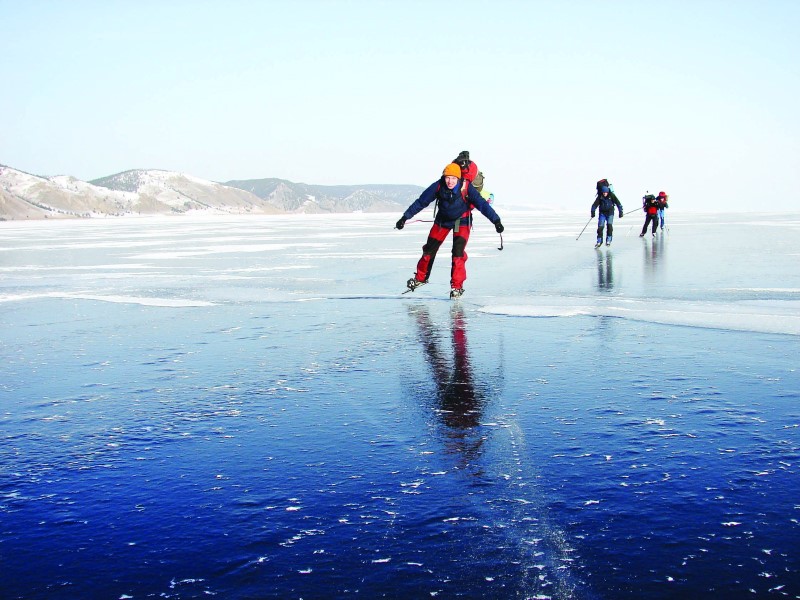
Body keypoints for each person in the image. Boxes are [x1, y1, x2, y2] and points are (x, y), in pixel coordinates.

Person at [396, 163, 504, 299]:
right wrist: (404, 218)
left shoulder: (466, 187)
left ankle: (457, 287)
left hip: (462, 220)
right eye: (447, 177)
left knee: (458, 253)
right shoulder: (438, 186)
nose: (450, 181)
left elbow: (482, 204)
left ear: (458, 178)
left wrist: (496, 221)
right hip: (443, 220)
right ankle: (420, 278)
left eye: (453, 178)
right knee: (429, 249)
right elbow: (421, 202)